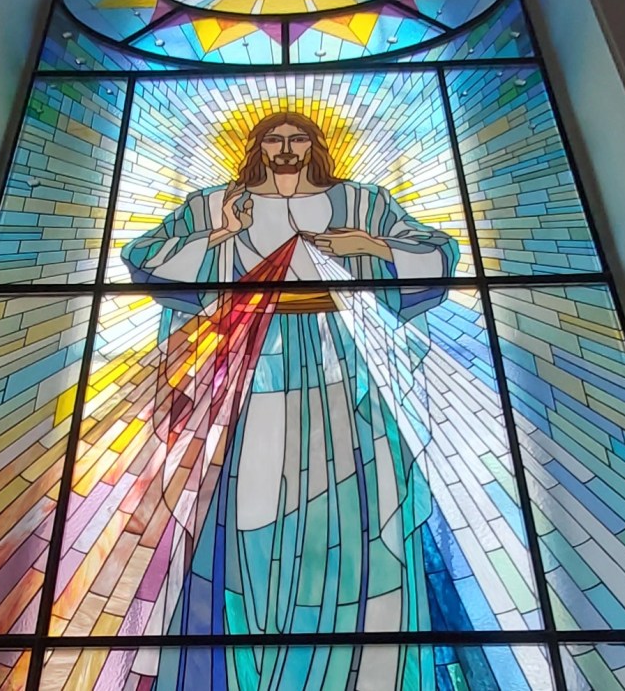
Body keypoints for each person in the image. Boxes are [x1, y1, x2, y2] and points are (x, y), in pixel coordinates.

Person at [122, 111, 465, 689]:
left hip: (343, 377)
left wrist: (371, 245)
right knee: (250, 516)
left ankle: (351, 669)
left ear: (315, 145)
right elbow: (145, 257)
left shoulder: (360, 203)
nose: (286, 148)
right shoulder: (217, 204)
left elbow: (437, 255)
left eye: (297, 138)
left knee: (355, 515)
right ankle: (258, 664)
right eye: (274, 139)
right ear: (257, 147)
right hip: (251, 373)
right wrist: (219, 236)